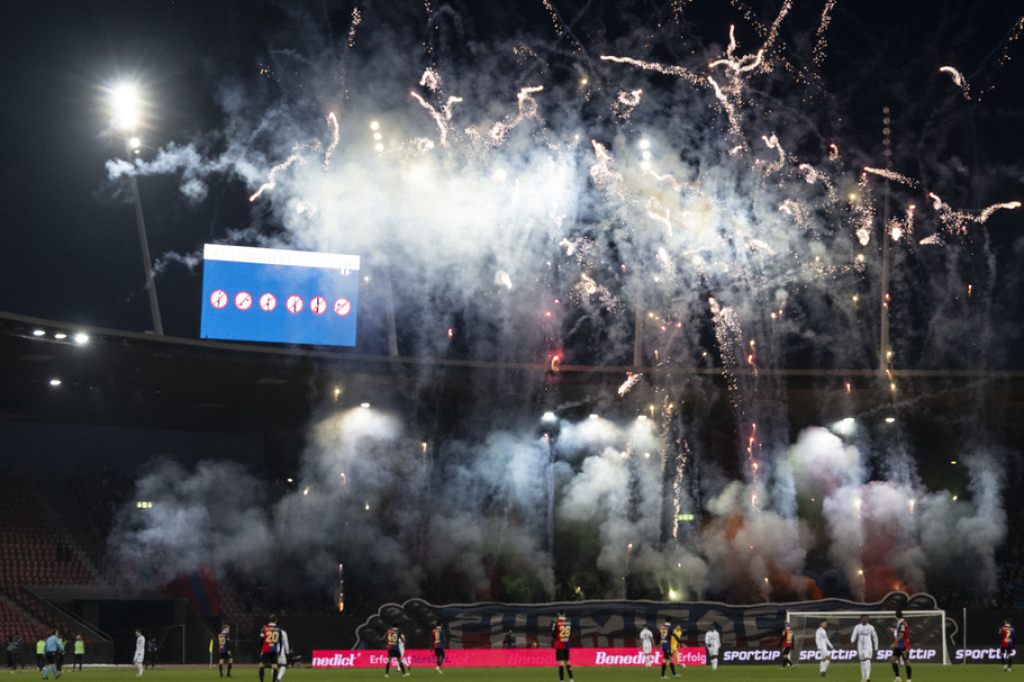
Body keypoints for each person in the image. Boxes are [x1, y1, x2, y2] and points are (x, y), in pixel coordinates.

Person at [851, 615, 879, 682]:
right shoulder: (857, 627)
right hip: (860, 646)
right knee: (862, 661)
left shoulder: (871, 627)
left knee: (867, 659)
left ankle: (868, 677)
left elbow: (875, 637)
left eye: (866, 618)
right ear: (861, 619)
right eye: (864, 618)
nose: (865, 620)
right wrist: (852, 640)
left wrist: (876, 646)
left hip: (868, 645)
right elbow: (854, 634)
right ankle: (863, 677)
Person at [258, 615, 282, 682]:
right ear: (275, 621)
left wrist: (260, 650)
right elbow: (280, 641)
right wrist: (279, 651)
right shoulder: (278, 629)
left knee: (261, 665)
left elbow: (261, 640)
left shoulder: (264, 628)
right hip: (274, 650)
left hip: (265, 649)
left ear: (269, 620)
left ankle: (261, 681)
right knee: (274, 666)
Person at [890, 610, 911, 682]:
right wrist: (894, 630)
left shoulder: (902, 623)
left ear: (896, 616)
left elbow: (901, 635)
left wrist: (894, 643)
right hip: (899, 645)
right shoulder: (901, 623)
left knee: (906, 662)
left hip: (904, 645)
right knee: (893, 660)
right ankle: (898, 678)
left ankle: (909, 679)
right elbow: (900, 632)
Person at [552, 610, 574, 682]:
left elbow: (553, 635)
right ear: (564, 614)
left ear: (558, 614)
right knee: (568, 662)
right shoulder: (569, 622)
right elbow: (570, 633)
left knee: (561, 663)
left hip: (559, 644)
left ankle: (561, 680)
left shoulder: (556, 623)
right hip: (566, 644)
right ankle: (571, 679)